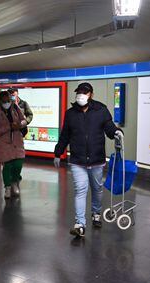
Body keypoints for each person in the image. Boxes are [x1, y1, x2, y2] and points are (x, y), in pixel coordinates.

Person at [54, 82, 123, 238]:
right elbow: (65, 134)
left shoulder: (101, 110)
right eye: (78, 92)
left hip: (96, 158)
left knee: (97, 189)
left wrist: (117, 132)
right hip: (78, 159)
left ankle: (96, 213)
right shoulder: (71, 113)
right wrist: (58, 152)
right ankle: (80, 224)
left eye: (84, 92)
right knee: (80, 190)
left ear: (90, 94)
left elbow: (109, 127)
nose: (80, 95)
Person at [0, 91, 26, 199]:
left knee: (18, 164)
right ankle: (7, 187)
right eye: (4, 100)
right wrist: (10, 127)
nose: (6, 102)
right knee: (7, 166)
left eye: (8, 100)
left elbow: (24, 120)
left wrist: (19, 125)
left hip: (17, 140)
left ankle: (14, 182)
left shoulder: (15, 107)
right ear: (0, 100)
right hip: (4, 143)